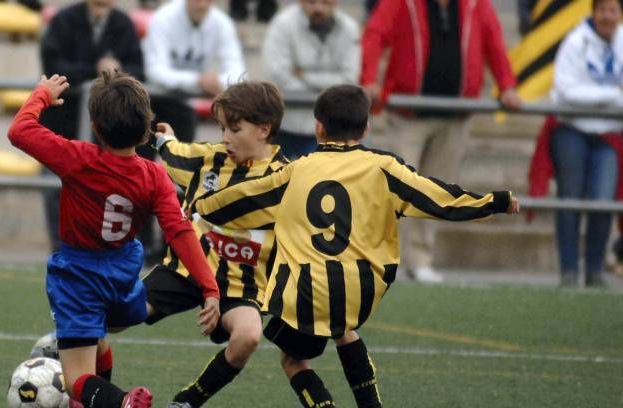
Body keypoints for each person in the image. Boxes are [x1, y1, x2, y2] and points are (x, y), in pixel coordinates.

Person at [192, 85, 520, 408]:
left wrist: (201, 207)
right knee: (343, 328)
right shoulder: (385, 168)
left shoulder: (296, 170)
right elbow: (439, 199)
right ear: (365, 129)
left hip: (307, 289)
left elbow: (245, 198)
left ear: (317, 129)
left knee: (294, 359)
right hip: (364, 289)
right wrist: (496, 202)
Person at [8, 71, 221, 408]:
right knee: (101, 335)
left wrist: (42, 94)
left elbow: (19, 131)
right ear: (144, 130)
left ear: (93, 125)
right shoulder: (154, 174)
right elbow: (180, 231)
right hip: (123, 275)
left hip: (78, 277)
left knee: (75, 379)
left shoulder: (79, 159)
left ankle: (122, 404)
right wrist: (209, 287)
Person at [99, 80, 290, 408]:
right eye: (221, 128)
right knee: (118, 318)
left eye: (234, 129)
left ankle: (186, 403)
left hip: (239, 283)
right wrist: (162, 139)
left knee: (249, 335)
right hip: (187, 270)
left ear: (264, 129)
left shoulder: (286, 178)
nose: (226, 137)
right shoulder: (209, 160)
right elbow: (174, 153)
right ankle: (63, 345)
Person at [361, 0, 523, 283]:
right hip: (408, 115)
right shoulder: (401, 3)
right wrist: (368, 78)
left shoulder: (477, 5)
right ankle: (386, 259)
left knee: (437, 190)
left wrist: (507, 86)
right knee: (398, 188)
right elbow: (375, 34)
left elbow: (494, 42)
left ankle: (421, 260)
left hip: (455, 118)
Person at [38, 0, 144, 252]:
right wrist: (96, 72)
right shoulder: (64, 20)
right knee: (55, 189)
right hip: (62, 125)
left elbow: (140, 70)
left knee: (101, 194)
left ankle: (97, 250)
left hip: (106, 131)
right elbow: (53, 66)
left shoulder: (123, 24)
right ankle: (61, 249)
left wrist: (118, 72)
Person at [547, 0, 623, 288]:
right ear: (593, 12)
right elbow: (565, 90)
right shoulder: (575, 42)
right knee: (570, 200)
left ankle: (594, 272)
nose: (607, 16)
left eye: (612, 10)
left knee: (603, 202)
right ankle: (568, 271)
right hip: (572, 129)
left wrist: (597, 96)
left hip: (610, 135)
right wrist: (613, 96)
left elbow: (579, 92)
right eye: (602, 9)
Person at [261, 0, 360, 159]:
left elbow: (349, 80)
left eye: (325, 2)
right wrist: (329, 90)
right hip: (283, 125)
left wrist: (304, 75)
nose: (318, 8)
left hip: (329, 130)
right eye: (311, 2)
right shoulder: (282, 24)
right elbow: (277, 75)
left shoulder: (349, 28)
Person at [142, 0, 246, 145]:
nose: (202, 5)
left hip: (185, 105)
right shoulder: (163, 18)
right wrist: (198, 81)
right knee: (142, 163)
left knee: (182, 163)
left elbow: (239, 72)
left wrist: (218, 82)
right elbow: (155, 71)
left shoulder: (222, 23)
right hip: (151, 104)